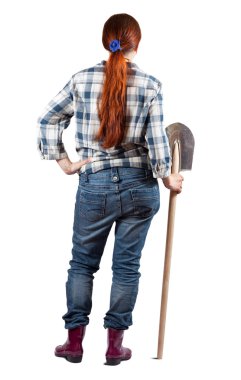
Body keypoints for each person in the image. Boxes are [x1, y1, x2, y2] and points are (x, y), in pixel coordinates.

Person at [37, 13, 183, 366]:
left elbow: (48, 119)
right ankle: (115, 348)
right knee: (127, 268)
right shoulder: (151, 84)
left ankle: (73, 343)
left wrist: (66, 163)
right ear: (138, 42)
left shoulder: (81, 79)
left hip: (95, 185)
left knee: (83, 264)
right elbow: (157, 140)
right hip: (139, 187)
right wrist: (167, 177)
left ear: (108, 41)